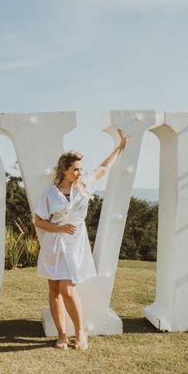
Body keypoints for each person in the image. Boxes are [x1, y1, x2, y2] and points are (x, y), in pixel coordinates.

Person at [33, 128, 128, 350]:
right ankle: (62, 335)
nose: (79, 173)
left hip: (75, 244)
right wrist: (58, 227)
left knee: (68, 289)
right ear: (64, 170)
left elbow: (104, 168)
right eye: (75, 169)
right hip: (54, 244)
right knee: (54, 290)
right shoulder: (50, 193)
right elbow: (38, 221)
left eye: (80, 169)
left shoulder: (84, 184)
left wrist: (119, 147)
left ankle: (80, 333)